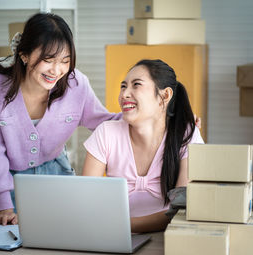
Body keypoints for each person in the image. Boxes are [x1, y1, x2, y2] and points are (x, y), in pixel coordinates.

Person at [0, 13, 121, 226]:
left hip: (58, 180)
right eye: (48, 60)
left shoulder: (77, 84)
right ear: (24, 55)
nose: (56, 70)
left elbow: (104, 122)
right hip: (8, 186)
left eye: (65, 61)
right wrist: (5, 206)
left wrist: (152, 116)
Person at [82, 59, 204, 233]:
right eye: (123, 86)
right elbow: (86, 200)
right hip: (110, 236)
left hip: (168, 239)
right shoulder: (106, 133)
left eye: (136, 85)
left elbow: (182, 210)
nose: (124, 94)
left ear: (165, 96)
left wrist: (122, 225)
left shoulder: (186, 135)